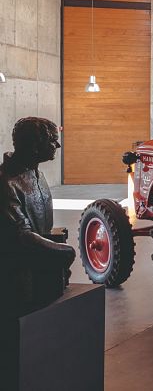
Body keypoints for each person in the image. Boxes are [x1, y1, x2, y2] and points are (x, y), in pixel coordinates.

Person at [0, 117, 75, 317]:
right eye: (51, 140)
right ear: (34, 145)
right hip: (19, 273)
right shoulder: (6, 182)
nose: (57, 145)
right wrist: (64, 251)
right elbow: (21, 236)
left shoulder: (37, 174)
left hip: (41, 265)